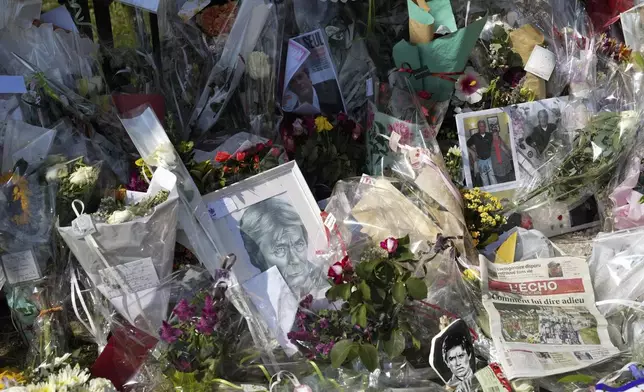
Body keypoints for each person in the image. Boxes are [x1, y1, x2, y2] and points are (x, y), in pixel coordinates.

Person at [239, 197, 318, 296]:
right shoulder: (256, 301)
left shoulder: (329, 282)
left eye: (299, 244)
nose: (296, 260)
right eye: (280, 250)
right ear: (257, 257)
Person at [467, 120, 497, 187]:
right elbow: (468, 144)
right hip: (480, 160)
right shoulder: (475, 136)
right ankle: (488, 192)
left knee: (492, 176)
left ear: (485, 127)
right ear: (478, 127)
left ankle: (495, 188)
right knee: (484, 178)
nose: (482, 127)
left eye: (483, 126)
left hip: (489, 159)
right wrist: (474, 150)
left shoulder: (489, 135)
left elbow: (495, 142)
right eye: (480, 126)